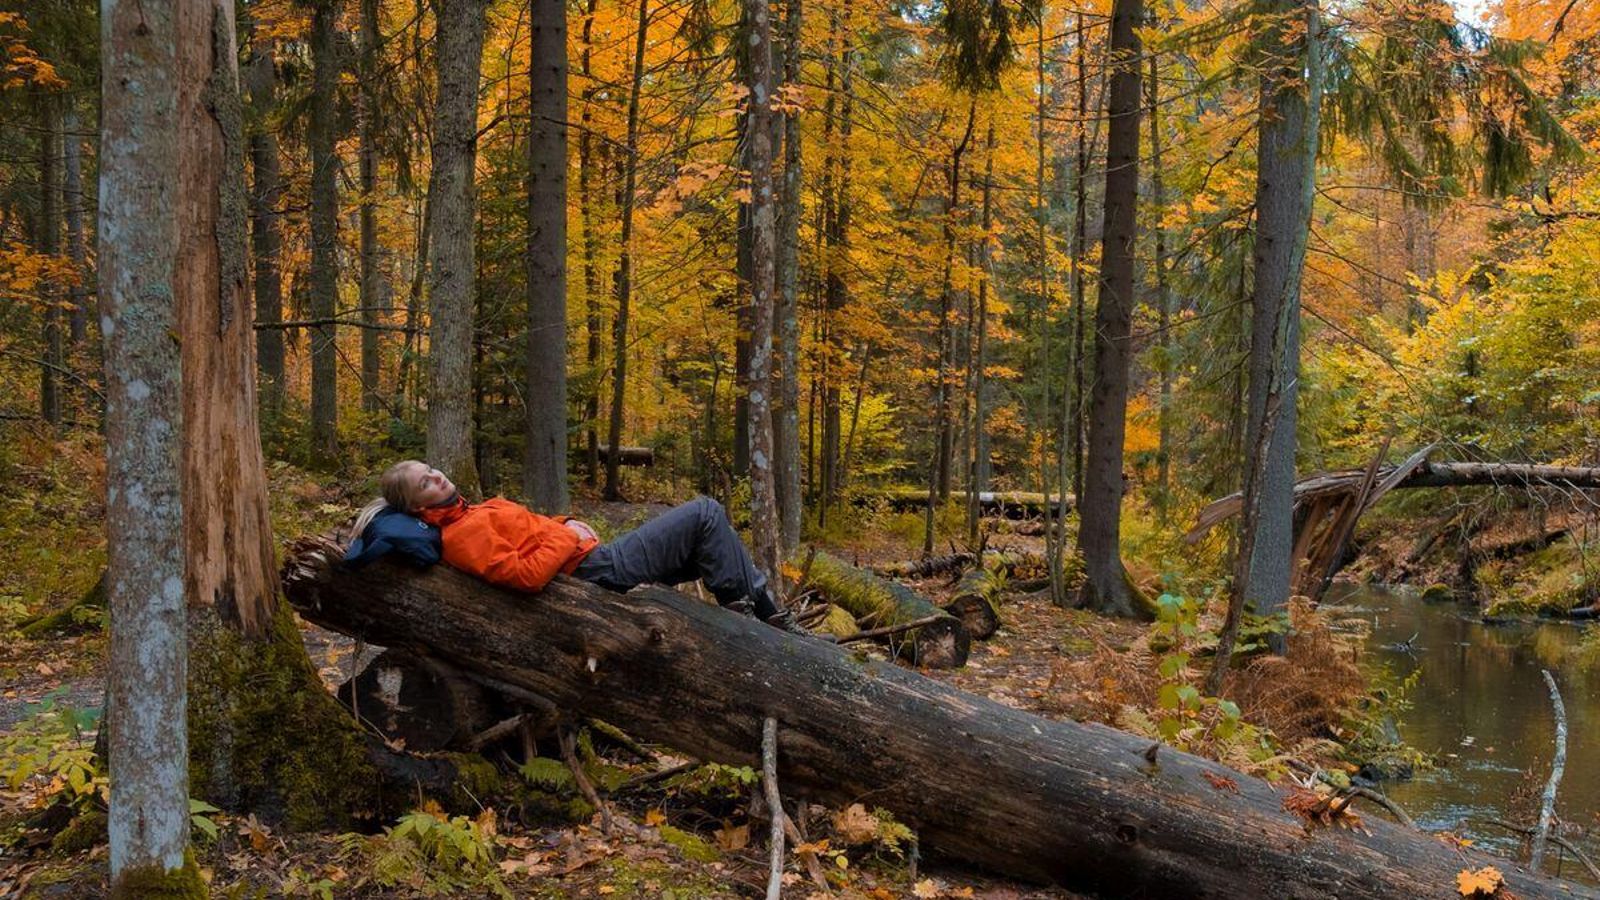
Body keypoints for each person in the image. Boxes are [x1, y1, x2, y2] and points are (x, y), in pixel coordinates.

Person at [348, 460, 806, 632]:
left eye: (431, 469)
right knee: (705, 512)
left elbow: (532, 533)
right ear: (416, 507)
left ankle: (762, 614)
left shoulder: (471, 512)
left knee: (710, 543)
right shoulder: (460, 534)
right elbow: (524, 577)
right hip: (593, 571)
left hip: (589, 557)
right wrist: (570, 537)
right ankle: (752, 619)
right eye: (424, 482)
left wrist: (568, 523)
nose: (436, 476)